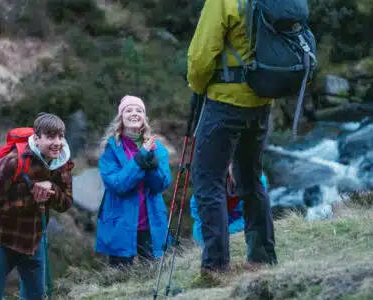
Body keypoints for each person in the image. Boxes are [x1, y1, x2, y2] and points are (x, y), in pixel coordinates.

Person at [187, 0, 278, 284]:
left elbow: (201, 56)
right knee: (249, 176)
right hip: (263, 99)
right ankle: (262, 256)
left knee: (207, 180)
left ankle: (215, 267)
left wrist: (197, 86)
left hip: (226, 100)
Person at [0, 113, 74, 300]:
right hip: (0, 240)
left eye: (60, 137)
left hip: (34, 241)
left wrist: (52, 190)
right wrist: (32, 199)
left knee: (35, 296)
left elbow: (66, 203)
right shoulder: (12, 163)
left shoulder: (61, 164)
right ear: (36, 138)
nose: (57, 143)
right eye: (50, 137)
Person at [95, 95, 172, 267]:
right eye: (128, 110)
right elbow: (118, 185)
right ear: (120, 117)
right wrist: (141, 157)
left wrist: (152, 166)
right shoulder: (110, 148)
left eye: (139, 110)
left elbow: (162, 185)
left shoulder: (156, 147)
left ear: (144, 117)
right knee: (120, 282)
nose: (134, 113)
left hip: (151, 223)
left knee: (151, 277)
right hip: (120, 225)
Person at [190, 163, 269, 249]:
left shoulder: (258, 181)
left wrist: (226, 232)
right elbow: (199, 216)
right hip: (214, 225)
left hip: (237, 226)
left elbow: (256, 216)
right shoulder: (209, 183)